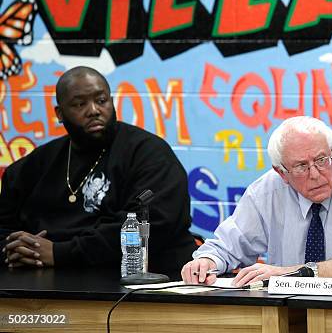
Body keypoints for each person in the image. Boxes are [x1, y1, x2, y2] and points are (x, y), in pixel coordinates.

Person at [0, 66, 196, 276]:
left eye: (101, 100)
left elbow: (150, 224)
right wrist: (16, 249)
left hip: (138, 284)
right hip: (42, 285)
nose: (93, 110)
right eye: (79, 104)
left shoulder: (149, 153)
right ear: (60, 113)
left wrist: (60, 253)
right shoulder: (36, 165)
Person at [182, 116, 332, 286]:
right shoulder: (266, 191)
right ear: (282, 173)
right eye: (301, 166)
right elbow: (227, 246)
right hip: (290, 313)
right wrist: (206, 262)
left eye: (322, 160)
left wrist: (291, 273)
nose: (315, 174)